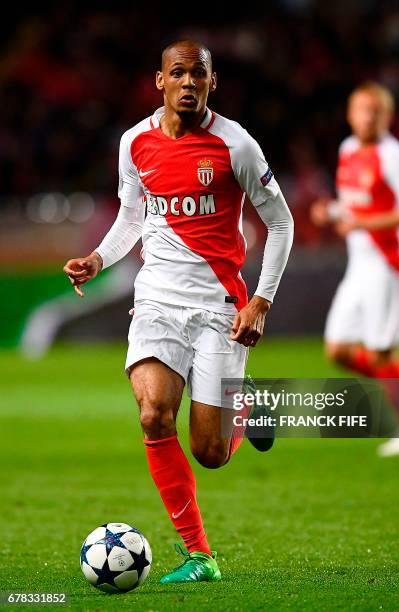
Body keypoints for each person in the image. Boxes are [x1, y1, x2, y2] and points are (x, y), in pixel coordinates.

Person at [64, 40, 294, 583]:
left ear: (212, 83)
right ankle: (199, 557)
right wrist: (98, 258)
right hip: (157, 301)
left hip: (219, 305)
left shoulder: (236, 145)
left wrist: (260, 300)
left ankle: (249, 407)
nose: (188, 82)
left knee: (211, 452)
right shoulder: (134, 143)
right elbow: (131, 217)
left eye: (198, 74)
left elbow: (281, 224)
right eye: (178, 73)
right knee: (152, 415)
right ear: (159, 81)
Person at [311, 81, 399, 457]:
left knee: (381, 355)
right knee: (339, 350)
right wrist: (330, 210)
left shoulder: (395, 156)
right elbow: (356, 205)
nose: (369, 117)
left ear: (388, 117)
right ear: (350, 115)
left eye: (376, 111)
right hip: (359, 267)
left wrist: (365, 224)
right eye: (362, 110)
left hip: (389, 266)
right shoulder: (348, 149)